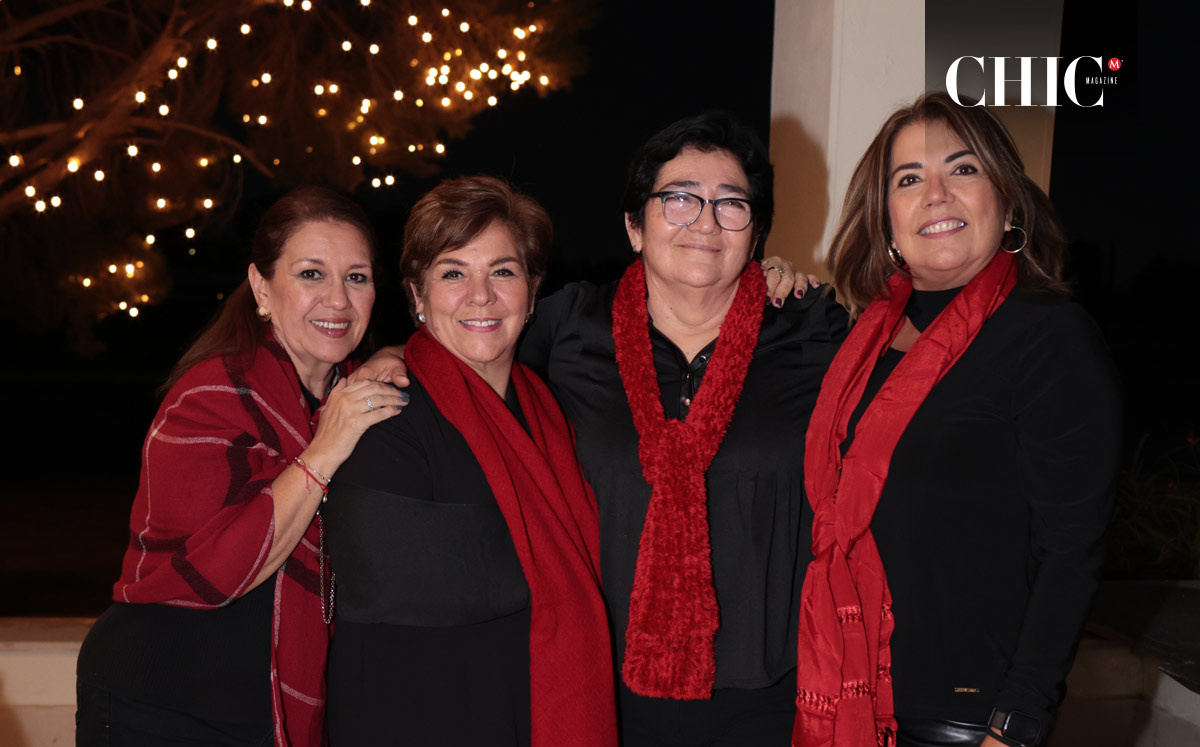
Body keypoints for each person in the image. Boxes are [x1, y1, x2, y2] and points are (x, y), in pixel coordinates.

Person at [793, 92, 1120, 747]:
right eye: (909, 179)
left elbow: (1071, 549)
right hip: (852, 705)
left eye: (962, 169)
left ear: (1007, 203)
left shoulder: (1048, 337)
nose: (936, 193)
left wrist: (1018, 719)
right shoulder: (857, 350)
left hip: (970, 722)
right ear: (886, 222)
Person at [516, 112, 847, 745]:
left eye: (731, 205)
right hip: (597, 688)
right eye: (679, 199)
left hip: (768, 699)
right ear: (634, 226)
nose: (704, 222)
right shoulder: (565, 327)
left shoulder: (812, 330)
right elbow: (467, 374)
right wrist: (396, 357)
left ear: (756, 233)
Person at [76, 187, 405, 747]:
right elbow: (226, 570)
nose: (338, 299)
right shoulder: (208, 395)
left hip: (266, 708)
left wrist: (391, 356)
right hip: (159, 699)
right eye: (310, 274)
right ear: (261, 288)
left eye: (357, 277)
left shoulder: (347, 395)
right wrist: (326, 447)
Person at [324, 176, 616, 747]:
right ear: (417, 296)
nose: (480, 295)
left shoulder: (547, 409)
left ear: (533, 292)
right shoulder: (387, 410)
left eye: (503, 271)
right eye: (453, 273)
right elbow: (388, 576)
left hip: (523, 706)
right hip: (413, 715)